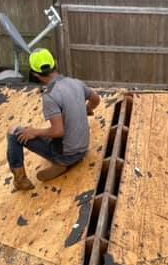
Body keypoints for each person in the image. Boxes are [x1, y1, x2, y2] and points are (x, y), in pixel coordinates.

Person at [7, 48, 101, 191]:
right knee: (53, 128)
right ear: (54, 64)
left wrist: (34, 132)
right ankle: (66, 162)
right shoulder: (75, 83)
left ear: (35, 74)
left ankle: (21, 181)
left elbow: (58, 131)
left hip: (65, 154)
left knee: (14, 132)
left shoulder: (50, 96)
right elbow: (96, 99)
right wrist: (87, 109)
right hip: (83, 149)